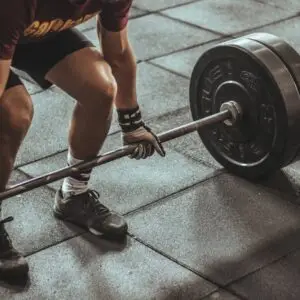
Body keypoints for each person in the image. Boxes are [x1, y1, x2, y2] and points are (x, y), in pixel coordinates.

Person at [0, 0, 166, 280]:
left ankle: (73, 194)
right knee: (14, 112)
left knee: (101, 88)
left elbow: (118, 52)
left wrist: (132, 123)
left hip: (28, 32)